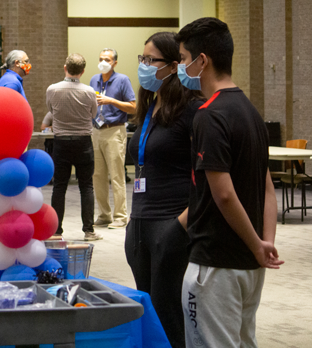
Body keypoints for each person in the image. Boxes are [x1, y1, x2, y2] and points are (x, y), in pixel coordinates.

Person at [176, 18, 284, 347]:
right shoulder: (250, 111)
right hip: (250, 265)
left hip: (215, 265)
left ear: (202, 60)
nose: (181, 67)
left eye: (183, 59)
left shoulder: (210, 114)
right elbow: (268, 188)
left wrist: (256, 245)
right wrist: (264, 242)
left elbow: (223, 195)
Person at [125, 32, 204, 348]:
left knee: (167, 311)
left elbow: (208, 178)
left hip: (172, 223)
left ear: (173, 66)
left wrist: (178, 227)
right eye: (141, 59)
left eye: (150, 60)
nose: (143, 66)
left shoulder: (192, 110)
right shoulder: (149, 106)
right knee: (147, 310)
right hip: (141, 222)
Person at [47, 53, 100, 241]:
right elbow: (94, 113)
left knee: (59, 187)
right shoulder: (88, 92)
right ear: (83, 71)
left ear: (65, 68)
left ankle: (56, 231)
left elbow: (51, 111)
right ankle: (89, 231)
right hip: (84, 142)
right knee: (86, 186)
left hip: (61, 142)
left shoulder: (52, 90)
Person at [90, 48, 136, 230]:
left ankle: (120, 216)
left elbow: (133, 107)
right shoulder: (94, 79)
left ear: (115, 62)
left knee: (117, 174)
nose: (103, 62)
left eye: (107, 59)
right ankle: (104, 214)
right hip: (96, 130)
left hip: (115, 130)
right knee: (97, 175)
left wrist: (112, 101)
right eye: (101, 58)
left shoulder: (123, 80)